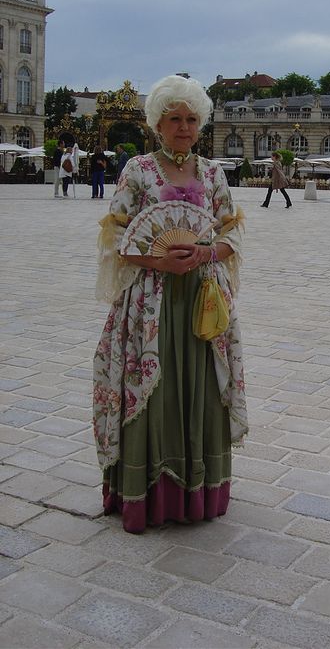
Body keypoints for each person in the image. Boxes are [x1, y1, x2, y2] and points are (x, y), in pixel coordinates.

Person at [93, 74, 248, 534]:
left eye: (191, 119)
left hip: (202, 299)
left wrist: (205, 253)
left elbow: (231, 232)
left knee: (201, 387)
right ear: (157, 124)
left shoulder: (214, 174)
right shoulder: (138, 171)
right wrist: (157, 257)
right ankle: (150, 495)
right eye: (174, 119)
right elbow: (116, 236)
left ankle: (200, 488)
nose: (183, 127)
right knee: (154, 391)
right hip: (150, 305)